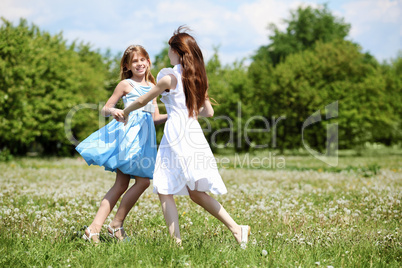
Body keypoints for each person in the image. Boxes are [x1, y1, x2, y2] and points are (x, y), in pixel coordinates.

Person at [123, 27, 250, 246]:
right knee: (196, 192)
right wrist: (187, 113)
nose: (168, 53)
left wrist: (124, 112)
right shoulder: (197, 77)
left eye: (170, 49)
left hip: (176, 134)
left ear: (176, 51)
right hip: (193, 132)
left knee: (164, 188)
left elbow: (143, 100)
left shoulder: (169, 77)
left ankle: (176, 242)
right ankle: (238, 229)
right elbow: (208, 112)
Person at [76, 44, 167, 243]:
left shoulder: (153, 87)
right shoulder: (126, 85)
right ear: (127, 66)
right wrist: (113, 111)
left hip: (145, 140)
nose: (139, 63)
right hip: (129, 137)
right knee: (139, 181)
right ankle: (111, 226)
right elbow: (105, 109)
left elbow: (154, 118)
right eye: (134, 61)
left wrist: (174, 116)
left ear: (148, 62)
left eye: (142, 59)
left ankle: (97, 228)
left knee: (123, 184)